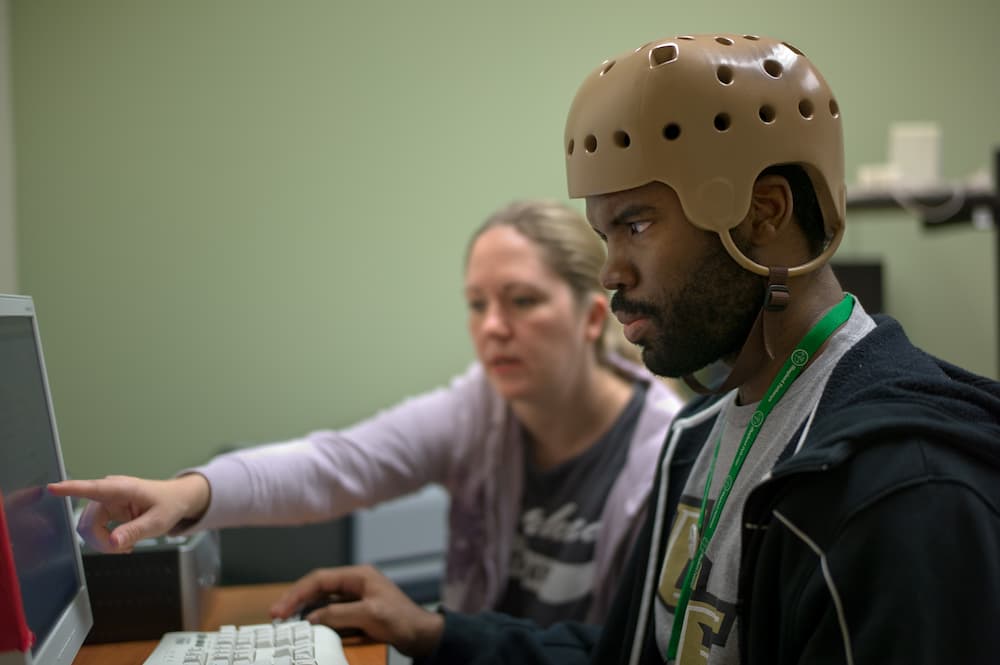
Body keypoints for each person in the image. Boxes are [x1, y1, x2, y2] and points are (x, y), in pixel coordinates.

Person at [110, 33, 1000, 665]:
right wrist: (436, 632)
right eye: (602, 231)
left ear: (764, 213)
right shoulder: (707, 436)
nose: (608, 272)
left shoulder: (899, 493)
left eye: (637, 223)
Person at [50, 199, 686, 629]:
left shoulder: (666, 452)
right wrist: (185, 493)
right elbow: (337, 464)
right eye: (477, 303)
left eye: (521, 301)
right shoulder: (481, 410)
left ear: (590, 319)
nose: (493, 328)